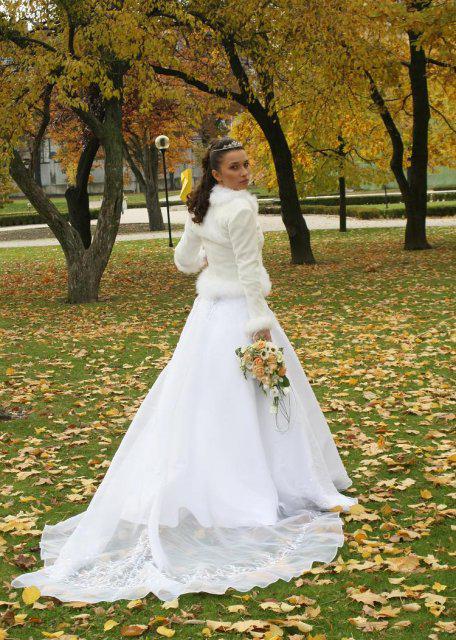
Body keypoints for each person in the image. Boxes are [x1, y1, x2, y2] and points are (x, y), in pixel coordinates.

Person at [10, 137, 358, 604]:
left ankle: (211, 476)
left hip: (207, 318)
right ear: (216, 173)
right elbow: (250, 271)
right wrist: (260, 324)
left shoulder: (202, 207)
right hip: (239, 313)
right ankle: (263, 481)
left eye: (246, 165)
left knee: (204, 400)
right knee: (255, 395)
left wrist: (208, 260)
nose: (244, 173)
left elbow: (183, 262)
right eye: (234, 167)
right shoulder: (240, 209)